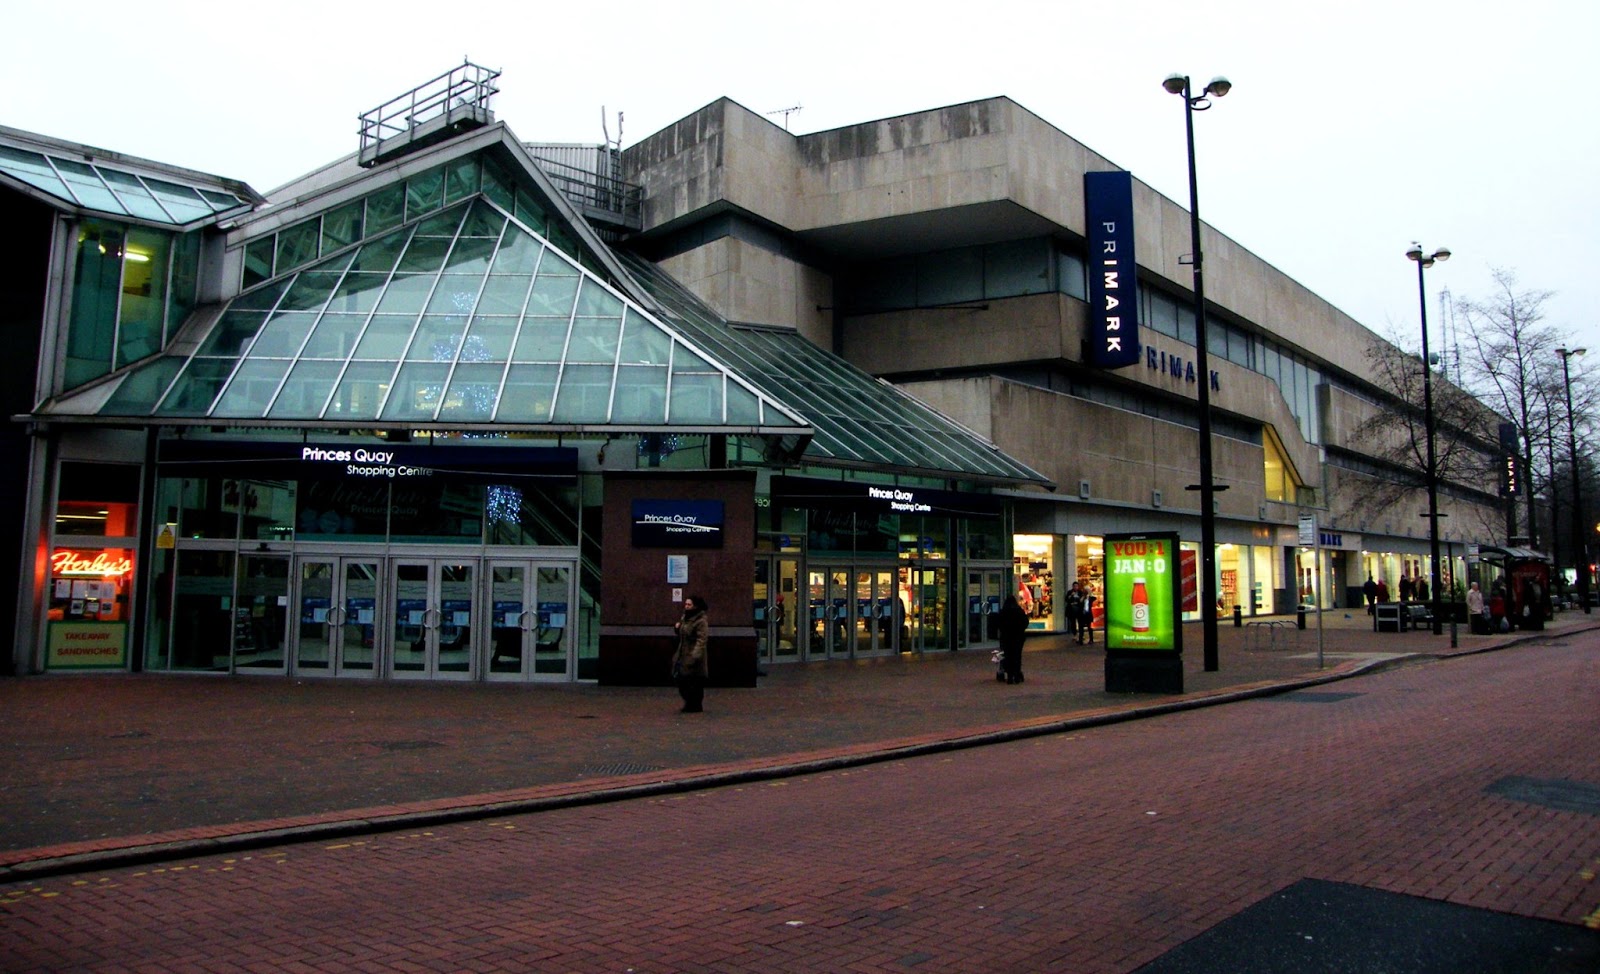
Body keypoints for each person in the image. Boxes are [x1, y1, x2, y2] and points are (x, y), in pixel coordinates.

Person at [671, 595, 709, 713]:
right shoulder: (685, 617)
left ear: (695, 606)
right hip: (683, 653)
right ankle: (690, 703)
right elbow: (683, 633)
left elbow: (701, 640)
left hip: (693, 656)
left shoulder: (701, 621)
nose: (686, 607)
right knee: (682, 680)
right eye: (686, 604)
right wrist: (677, 628)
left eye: (689, 605)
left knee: (694, 682)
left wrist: (695, 655)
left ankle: (694, 705)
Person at [998, 594, 1028, 684]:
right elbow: (1025, 622)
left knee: (1008, 656)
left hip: (1007, 637)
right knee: (1017, 656)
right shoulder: (1019, 611)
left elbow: (999, 623)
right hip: (1018, 637)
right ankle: (1017, 675)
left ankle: (1010, 676)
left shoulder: (1003, 612)